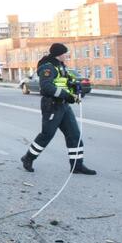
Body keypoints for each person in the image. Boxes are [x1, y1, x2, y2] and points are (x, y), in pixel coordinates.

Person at [20, 43, 96, 175]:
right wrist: (67, 95)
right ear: (59, 54)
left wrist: (74, 87)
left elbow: (64, 83)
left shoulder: (60, 66)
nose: (67, 55)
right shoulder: (47, 67)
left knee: (74, 135)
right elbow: (46, 87)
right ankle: (28, 158)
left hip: (63, 105)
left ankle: (77, 166)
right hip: (52, 105)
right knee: (47, 135)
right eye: (65, 53)